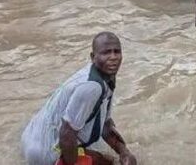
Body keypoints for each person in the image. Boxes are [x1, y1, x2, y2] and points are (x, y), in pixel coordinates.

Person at [21, 32, 137, 165]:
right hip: (45, 151)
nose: (113, 57)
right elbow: (66, 135)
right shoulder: (92, 87)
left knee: (112, 160)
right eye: (106, 53)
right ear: (93, 57)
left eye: (117, 52)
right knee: (107, 162)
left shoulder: (104, 75)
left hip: (33, 135)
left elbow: (105, 124)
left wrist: (124, 152)